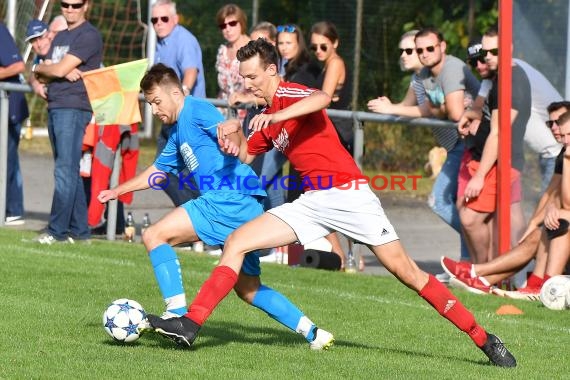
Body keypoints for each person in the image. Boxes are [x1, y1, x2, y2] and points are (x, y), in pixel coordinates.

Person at [147, 39, 517, 368]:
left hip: (350, 195)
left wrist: (274, 115)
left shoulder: (288, 95)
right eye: (244, 78)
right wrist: (232, 139)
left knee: (409, 275)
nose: (248, 84)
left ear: (272, 71)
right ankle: (191, 323)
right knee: (237, 242)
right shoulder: (264, 116)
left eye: (253, 77)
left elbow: (320, 98)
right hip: (313, 200)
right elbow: (245, 156)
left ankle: (484, 338)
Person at [98, 63, 333, 349]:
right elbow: (157, 173)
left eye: (157, 101)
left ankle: (177, 315)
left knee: (154, 235)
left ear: (176, 92)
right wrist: (117, 190)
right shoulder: (176, 134)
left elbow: (228, 128)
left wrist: (233, 141)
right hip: (243, 204)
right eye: (150, 104)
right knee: (248, 289)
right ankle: (315, 334)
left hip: (228, 197)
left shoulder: (196, 110)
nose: (155, 109)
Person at [367, 28, 478, 271]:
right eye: (408, 50)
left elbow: (449, 111)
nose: (407, 55)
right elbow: (412, 107)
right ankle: (469, 260)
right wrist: (390, 107)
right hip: (455, 145)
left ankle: (476, 249)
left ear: (440, 48)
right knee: (460, 205)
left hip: (465, 143)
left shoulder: (445, 71)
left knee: (442, 200)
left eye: (412, 50)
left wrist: (398, 109)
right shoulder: (420, 80)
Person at [441, 101, 570, 298]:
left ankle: (477, 272)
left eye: (559, 121)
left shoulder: (567, 153)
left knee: (554, 224)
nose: (555, 128)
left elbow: (566, 202)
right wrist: (534, 222)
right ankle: (482, 280)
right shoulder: (564, 152)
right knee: (539, 230)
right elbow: (551, 193)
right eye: (550, 123)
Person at [457, 27, 530, 264]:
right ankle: (485, 274)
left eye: (494, 51)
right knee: (483, 220)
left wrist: (479, 176)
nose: (487, 57)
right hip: (497, 161)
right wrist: (472, 115)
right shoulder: (499, 78)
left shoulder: (512, 81)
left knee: (471, 218)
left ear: (509, 49)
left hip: (504, 163)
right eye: (485, 51)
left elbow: (499, 134)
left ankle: (483, 273)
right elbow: (489, 119)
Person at [32, 0, 102, 244]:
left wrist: (54, 69)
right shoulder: (60, 36)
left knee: (64, 170)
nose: (70, 8)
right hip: (55, 105)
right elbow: (39, 69)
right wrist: (51, 68)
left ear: (86, 6)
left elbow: (55, 70)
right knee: (68, 169)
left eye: (75, 4)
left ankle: (56, 231)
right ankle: (80, 232)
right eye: (65, 4)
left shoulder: (89, 35)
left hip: (74, 108)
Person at [151, 0, 205, 208]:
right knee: (165, 172)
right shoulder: (161, 42)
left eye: (164, 18)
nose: (159, 23)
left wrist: (183, 92)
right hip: (170, 118)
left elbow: (191, 70)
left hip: (186, 118)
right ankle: (193, 221)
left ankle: (197, 220)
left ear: (175, 19)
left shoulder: (183, 39)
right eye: (154, 19)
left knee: (174, 173)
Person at [0, 22, 29, 226]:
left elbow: (18, 65)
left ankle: (11, 209)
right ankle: (13, 208)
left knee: (6, 158)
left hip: (10, 107)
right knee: (8, 158)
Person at [216, 3, 251, 121]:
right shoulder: (223, 51)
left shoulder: (253, 48)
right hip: (223, 112)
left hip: (248, 113)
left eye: (232, 23)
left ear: (241, 23)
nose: (227, 29)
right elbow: (223, 89)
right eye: (223, 26)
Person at [27, 16, 68, 99]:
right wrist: (36, 84)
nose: (39, 44)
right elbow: (33, 74)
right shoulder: (41, 57)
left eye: (41, 37)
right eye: (33, 41)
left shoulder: (67, 50)